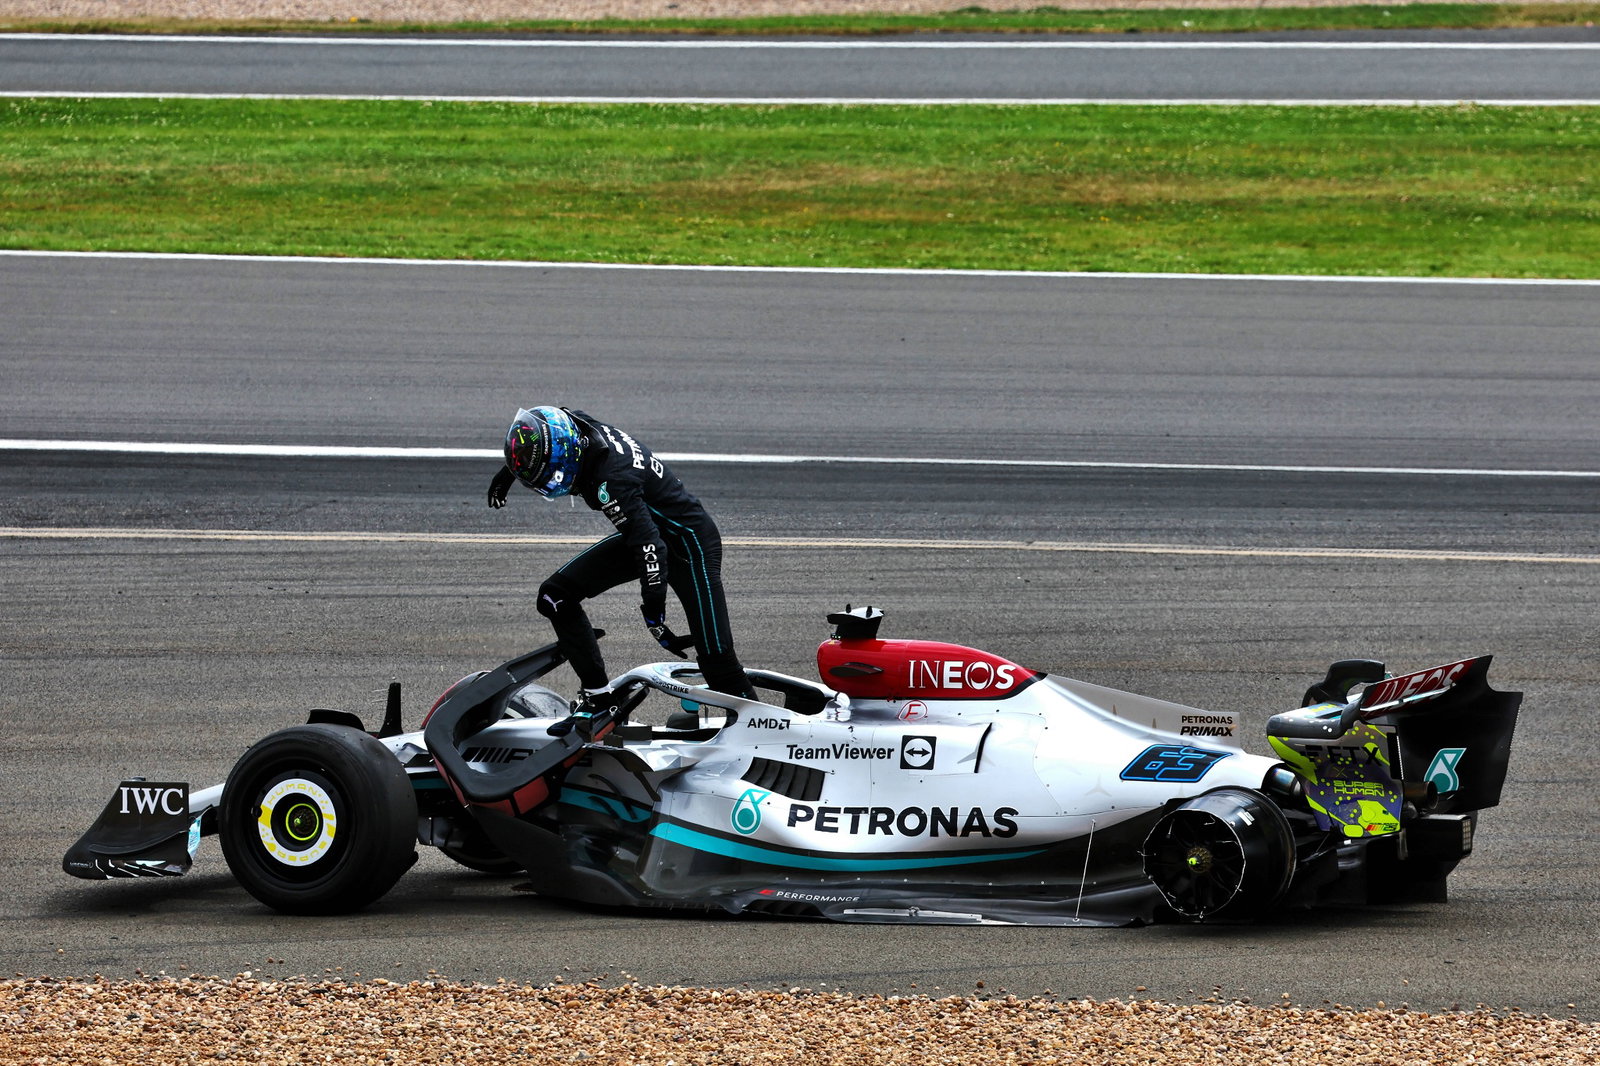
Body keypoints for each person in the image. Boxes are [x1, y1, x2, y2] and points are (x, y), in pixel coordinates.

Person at [488, 406, 756, 720]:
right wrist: (511, 471)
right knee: (555, 596)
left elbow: (651, 548)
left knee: (719, 664)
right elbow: (540, 438)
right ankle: (599, 699)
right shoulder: (576, 426)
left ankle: (767, 740)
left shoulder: (611, 481)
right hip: (650, 537)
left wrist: (654, 616)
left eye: (548, 476)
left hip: (690, 549)